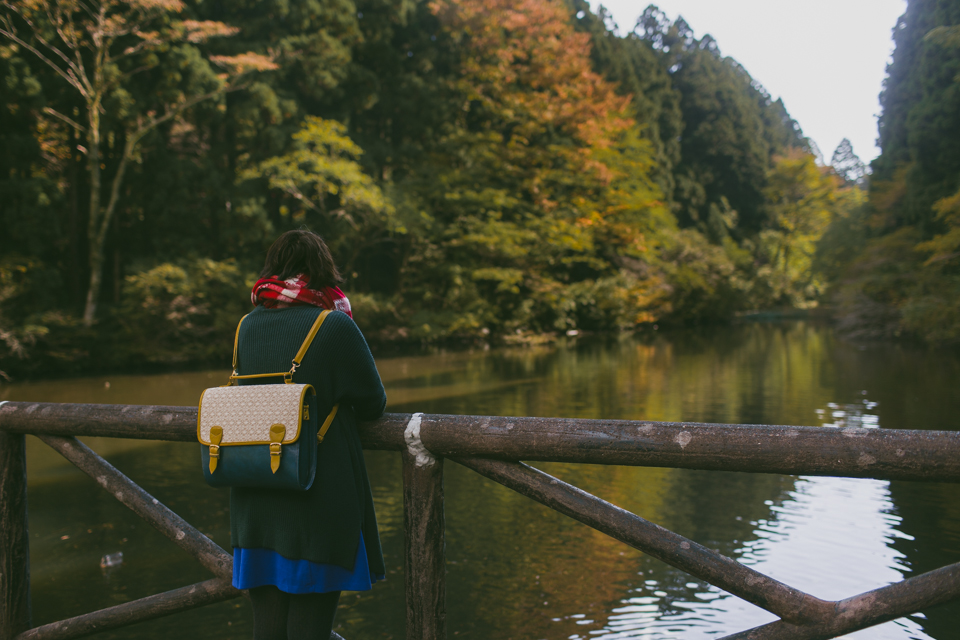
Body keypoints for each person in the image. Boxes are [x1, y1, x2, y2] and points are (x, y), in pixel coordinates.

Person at [230, 229, 386, 640]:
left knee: (267, 629)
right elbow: (374, 402)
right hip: (316, 499)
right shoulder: (333, 324)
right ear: (323, 268)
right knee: (309, 631)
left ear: (273, 269)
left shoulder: (247, 325)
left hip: (256, 496)